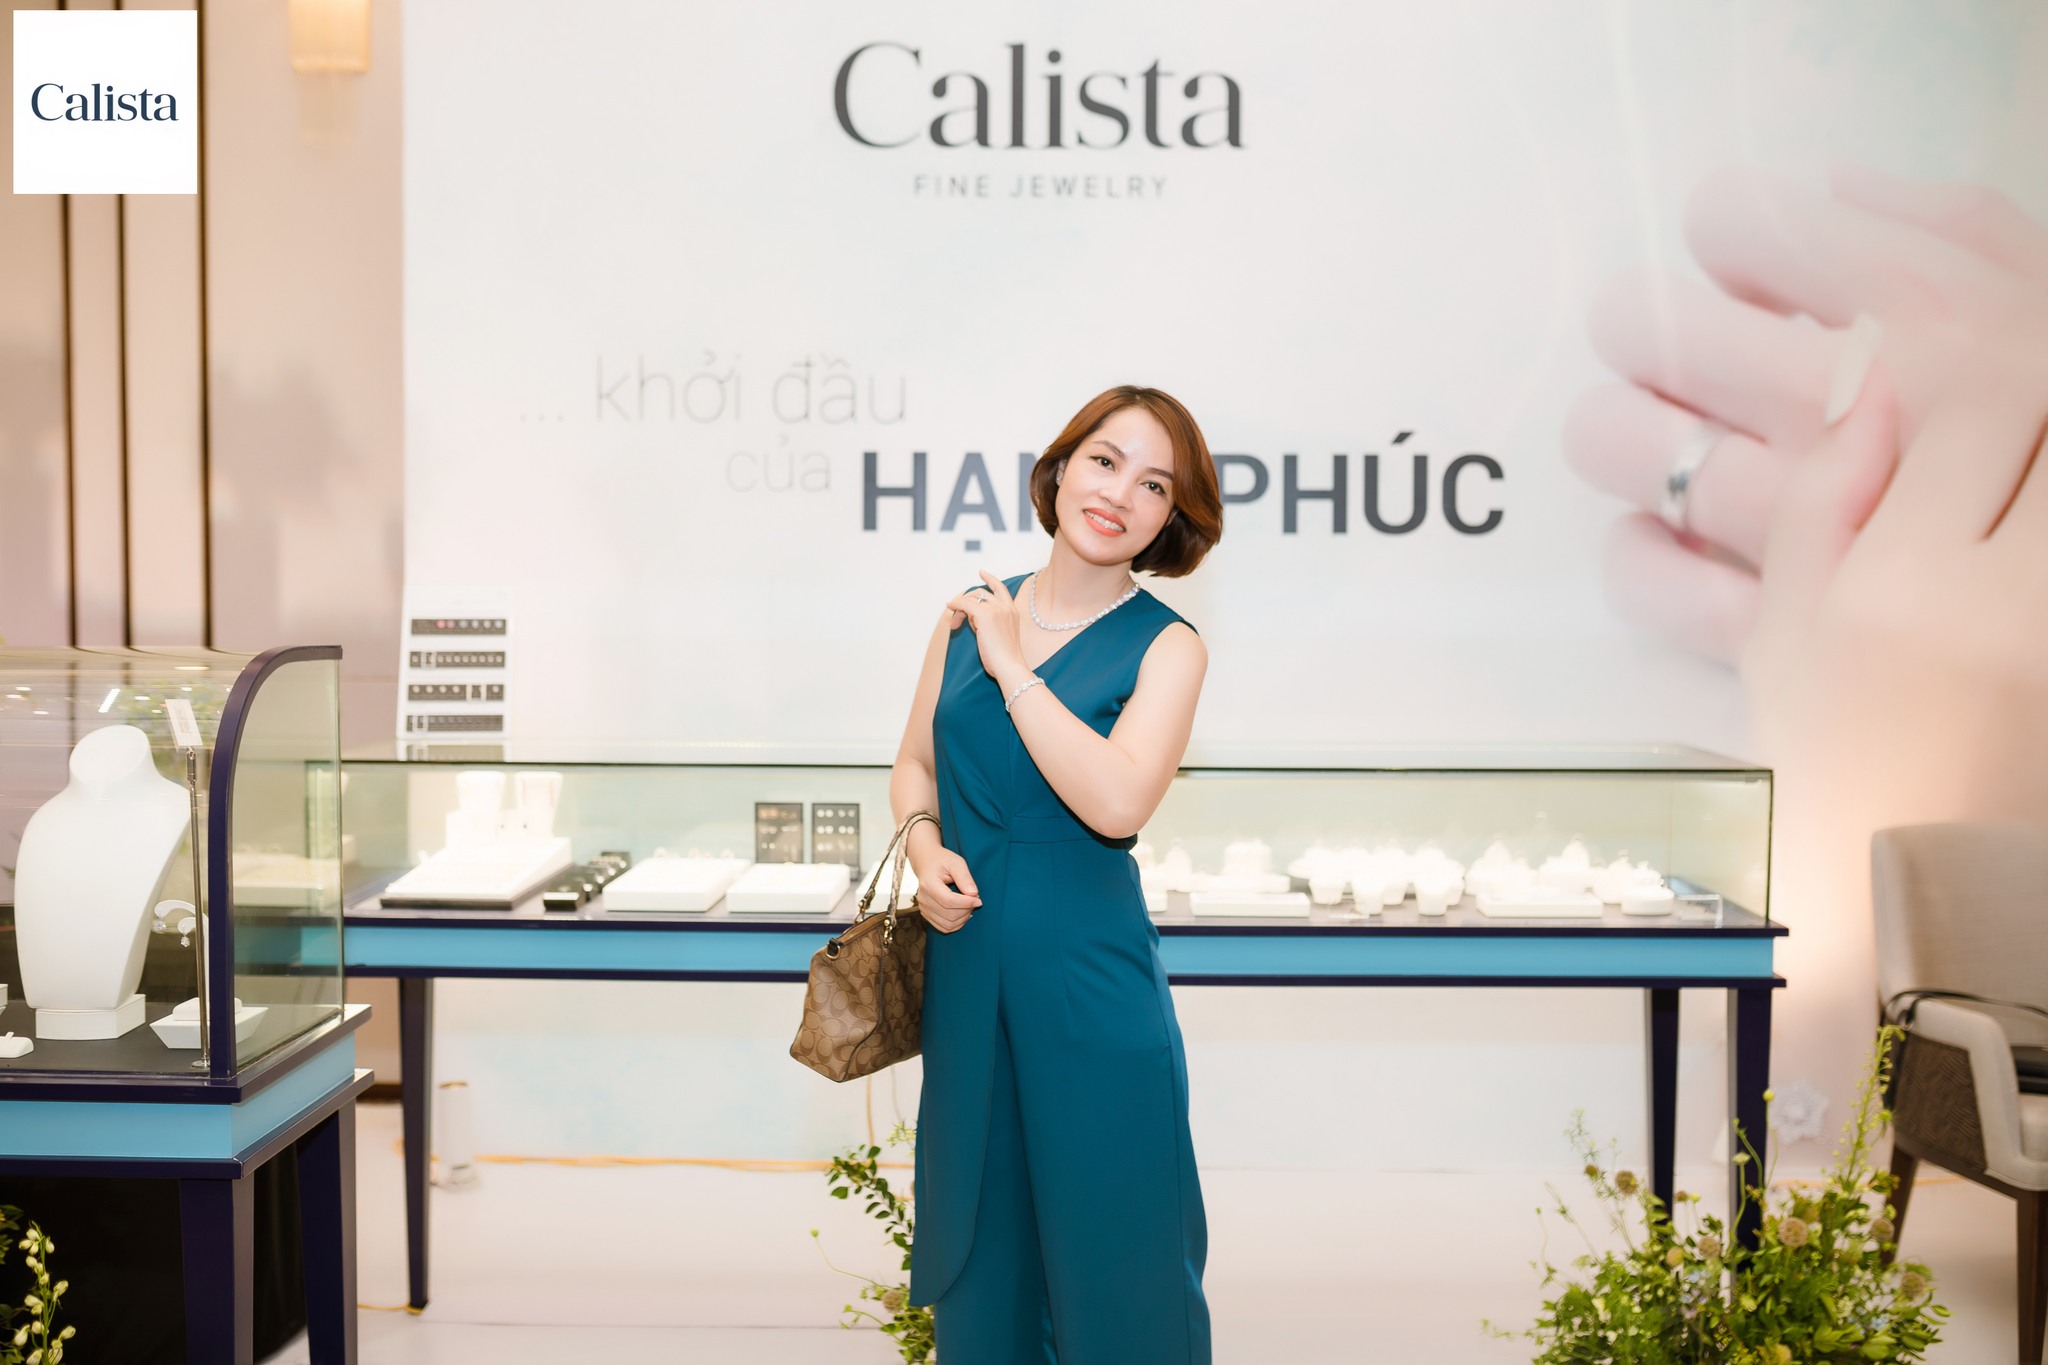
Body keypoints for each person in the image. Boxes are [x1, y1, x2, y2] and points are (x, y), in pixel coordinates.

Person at [887, 385, 1226, 1363]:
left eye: (1153, 484)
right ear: (1062, 467)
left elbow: (1117, 803)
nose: (1118, 492)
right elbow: (913, 763)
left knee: (1120, 1264)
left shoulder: (1168, 646)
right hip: (969, 979)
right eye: (1105, 461)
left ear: (1172, 517)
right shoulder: (968, 617)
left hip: (1089, 988)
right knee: (982, 1264)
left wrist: (1013, 665)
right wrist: (923, 846)